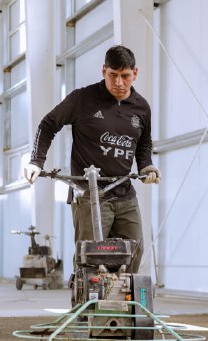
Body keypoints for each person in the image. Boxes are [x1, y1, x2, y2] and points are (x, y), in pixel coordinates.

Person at [21, 45, 159, 274]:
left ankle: (121, 302)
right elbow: (48, 125)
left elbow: (143, 142)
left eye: (125, 76)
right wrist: (36, 161)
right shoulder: (83, 99)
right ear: (104, 70)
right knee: (91, 257)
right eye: (113, 75)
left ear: (135, 73)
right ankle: (88, 306)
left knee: (135, 250)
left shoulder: (141, 108)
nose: (119, 82)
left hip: (124, 191)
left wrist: (146, 165)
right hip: (89, 193)